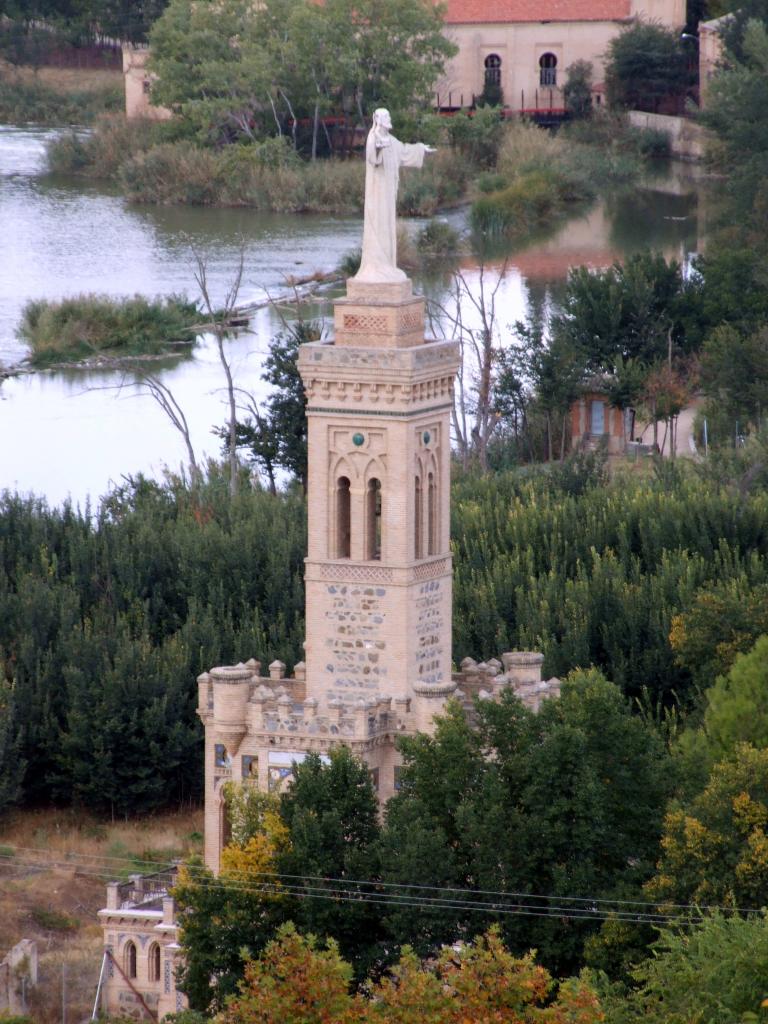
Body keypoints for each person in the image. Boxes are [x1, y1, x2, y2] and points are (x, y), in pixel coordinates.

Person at [352, 108, 435, 284]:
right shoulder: (373, 137)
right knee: (378, 224)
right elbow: (372, 159)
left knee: (387, 225)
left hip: (388, 194)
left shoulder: (392, 140)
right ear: (379, 119)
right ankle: (376, 265)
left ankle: (387, 265)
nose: (390, 118)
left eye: (389, 115)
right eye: (387, 116)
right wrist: (379, 148)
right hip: (377, 193)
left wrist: (421, 149)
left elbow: (404, 151)